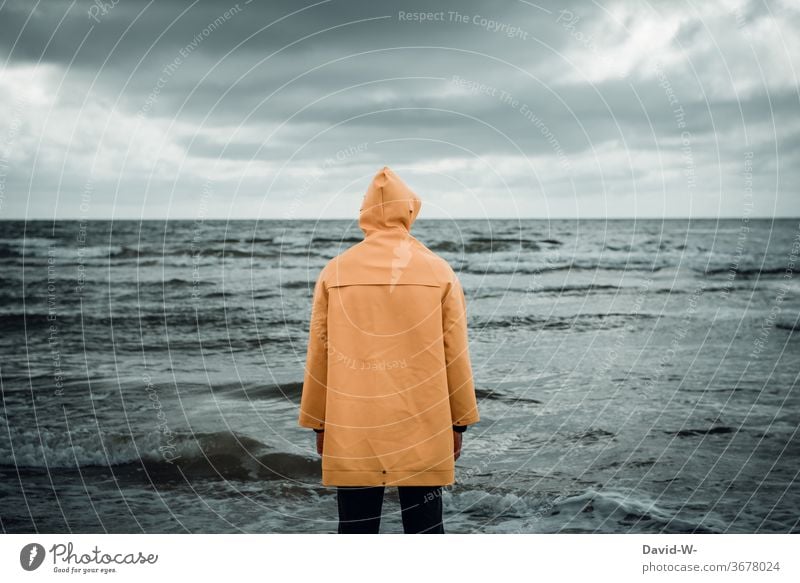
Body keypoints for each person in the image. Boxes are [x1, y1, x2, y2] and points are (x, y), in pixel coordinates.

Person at [297, 166, 480, 534]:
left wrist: (318, 423)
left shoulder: (334, 272)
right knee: (426, 531)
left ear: (364, 212)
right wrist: (459, 422)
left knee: (356, 531)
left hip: (353, 427)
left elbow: (320, 355)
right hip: (423, 424)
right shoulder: (439, 271)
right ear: (410, 211)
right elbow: (454, 354)